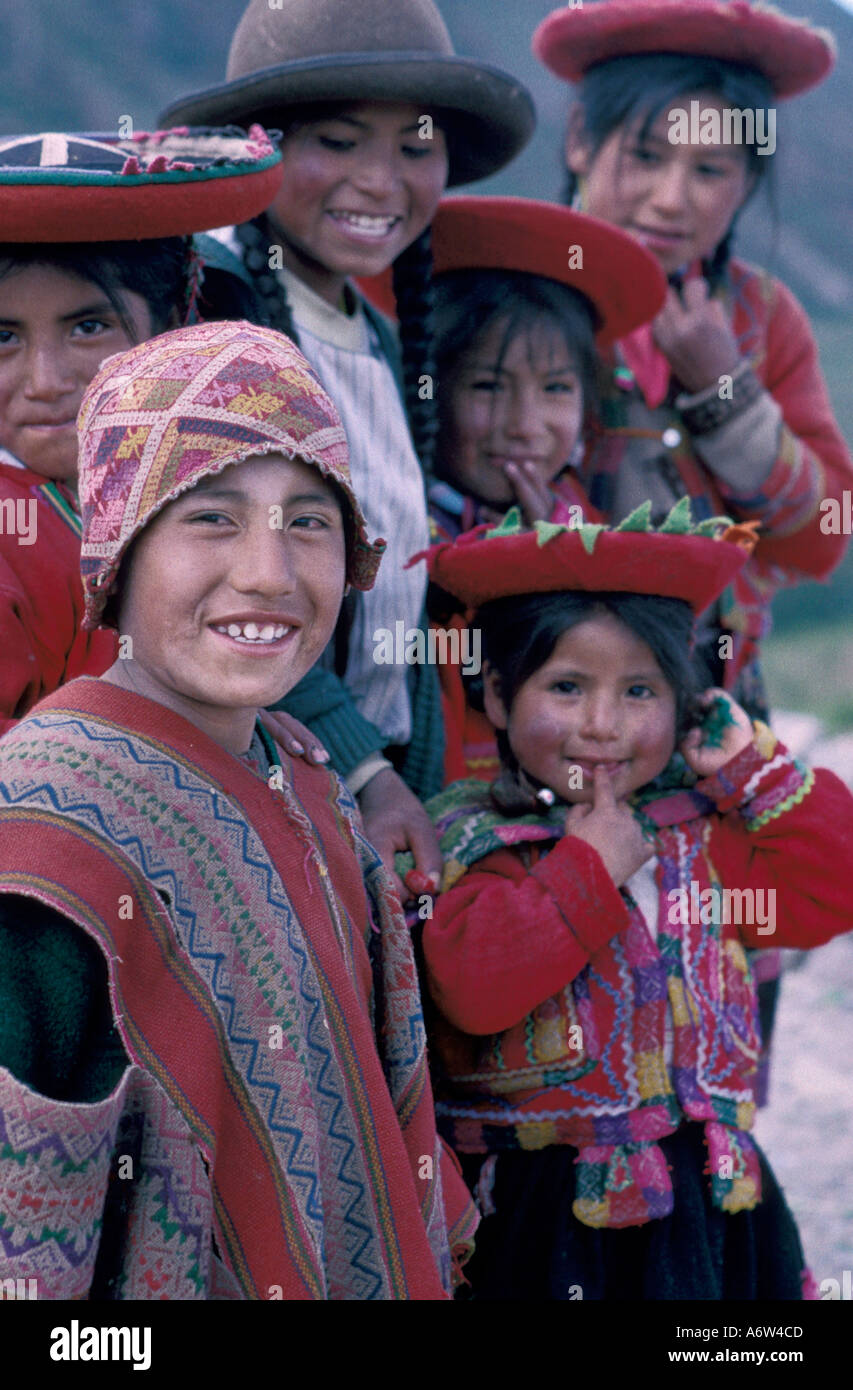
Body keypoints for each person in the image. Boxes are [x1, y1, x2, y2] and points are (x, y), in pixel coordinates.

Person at [0, 319, 476, 1300]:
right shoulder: (42, 831)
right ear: (118, 551)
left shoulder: (312, 799)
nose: (270, 571)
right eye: (210, 516)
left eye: (310, 520)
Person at [404, 506, 853, 1300]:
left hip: (711, 1205)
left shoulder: (703, 836)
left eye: (639, 690)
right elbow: (471, 990)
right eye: (567, 687)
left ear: (682, 703)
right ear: (501, 696)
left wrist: (754, 772)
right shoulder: (477, 843)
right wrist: (586, 870)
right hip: (548, 1217)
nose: (602, 726)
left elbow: (831, 889)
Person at [159, 0, 535, 894]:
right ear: (256, 144)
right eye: (335, 141)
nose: (379, 181)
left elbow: (391, 601)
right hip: (249, 781)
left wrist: (423, 787)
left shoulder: (372, 335)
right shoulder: (217, 307)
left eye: (414, 148)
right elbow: (246, 585)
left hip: (364, 789)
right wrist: (366, 775)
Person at [531, 0, 852, 722]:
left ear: (748, 181)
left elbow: (824, 538)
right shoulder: (507, 296)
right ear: (581, 139)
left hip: (717, 718)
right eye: (645, 157)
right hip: (530, 718)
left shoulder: (762, 319)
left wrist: (725, 395)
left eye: (709, 168)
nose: (670, 200)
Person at [0, 127, 281, 734]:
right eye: (4, 337)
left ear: (172, 326)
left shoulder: (200, 495)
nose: (44, 381)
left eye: (89, 327)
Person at [421, 195, 665, 781]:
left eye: (556, 389)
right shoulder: (405, 529)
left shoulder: (589, 523)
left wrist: (558, 557)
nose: (525, 425)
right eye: (487, 386)